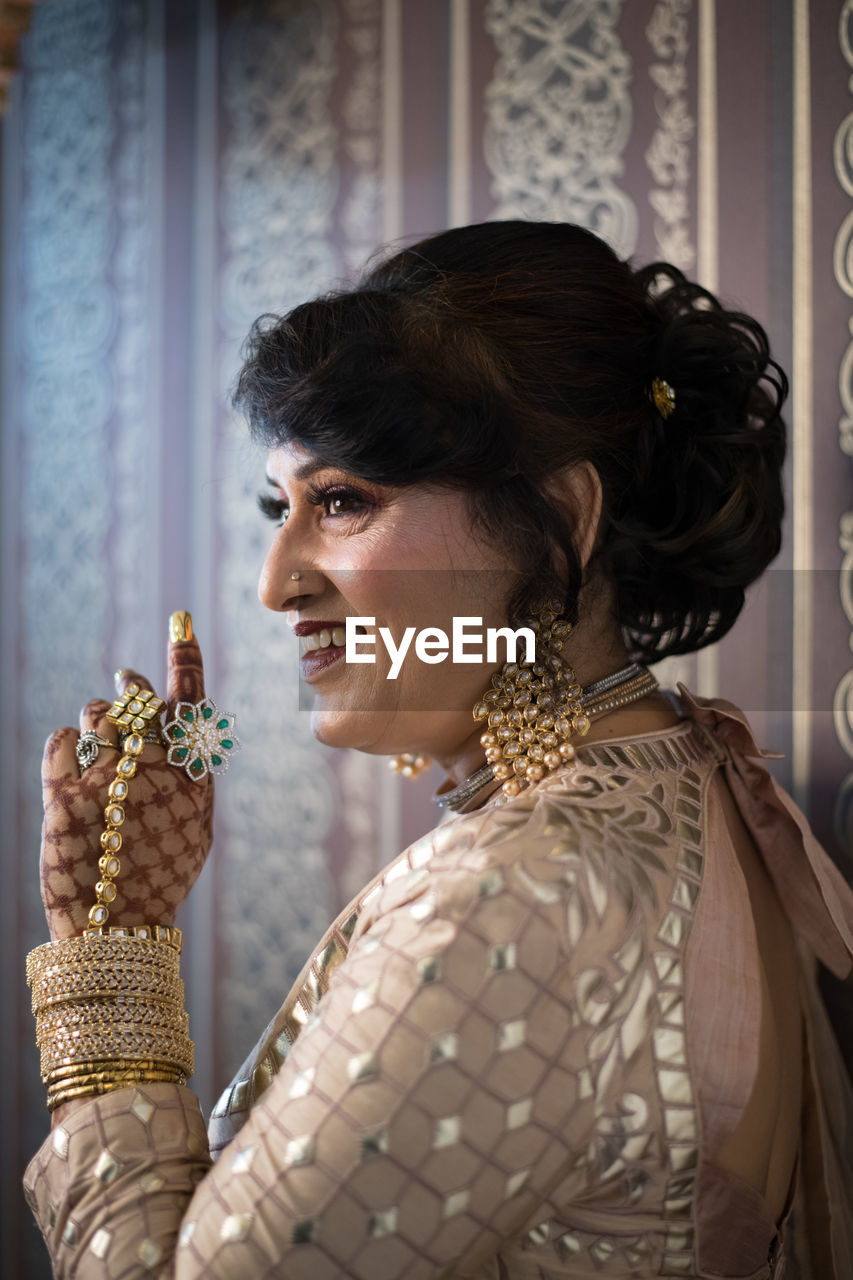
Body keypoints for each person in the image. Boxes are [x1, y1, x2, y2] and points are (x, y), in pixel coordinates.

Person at [23, 221, 853, 1279]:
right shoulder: (683, 767)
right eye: (284, 508)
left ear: (557, 516)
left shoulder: (514, 898)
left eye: (341, 501)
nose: (278, 579)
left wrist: (113, 957)